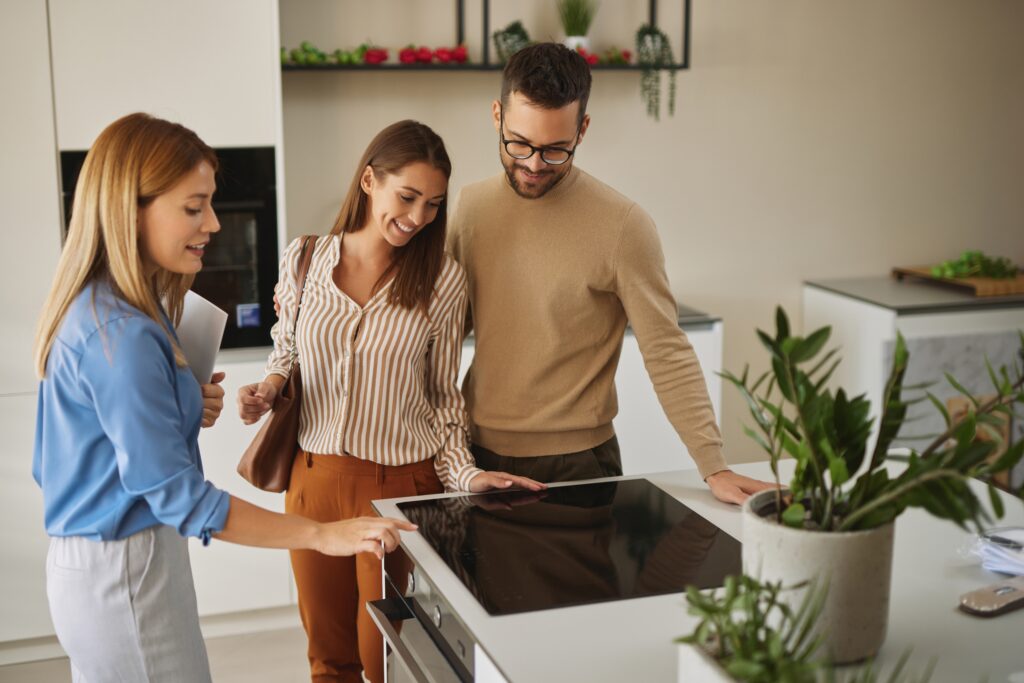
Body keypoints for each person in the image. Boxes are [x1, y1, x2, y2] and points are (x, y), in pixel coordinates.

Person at [32, 112, 416, 683]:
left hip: (109, 564)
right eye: (194, 207)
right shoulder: (123, 334)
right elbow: (182, 499)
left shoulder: (108, 306)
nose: (212, 223)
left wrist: (180, 401)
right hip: (124, 570)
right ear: (130, 209)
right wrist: (322, 534)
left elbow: (71, 455)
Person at [237, 120, 543, 683]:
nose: (419, 216)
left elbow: (443, 397)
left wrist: (467, 475)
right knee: (328, 659)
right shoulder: (304, 257)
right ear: (369, 181)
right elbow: (287, 349)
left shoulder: (442, 280)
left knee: (384, 658)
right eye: (407, 196)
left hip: (399, 490)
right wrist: (270, 387)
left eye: (433, 204)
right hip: (312, 482)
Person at [447, 42, 774, 504]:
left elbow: (666, 349)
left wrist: (712, 464)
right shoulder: (471, 208)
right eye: (519, 144)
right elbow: (442, 332)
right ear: (497, 115)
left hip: (577, 465)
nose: (534, 164)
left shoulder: (623, 226)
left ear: (582, 130)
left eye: (555, 150)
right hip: (473, 456)